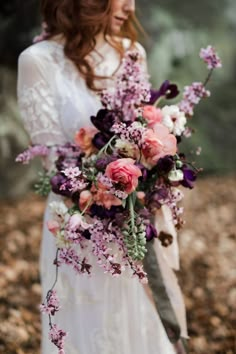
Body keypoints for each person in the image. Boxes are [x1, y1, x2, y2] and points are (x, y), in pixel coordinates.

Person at [17, 0, 188, 353]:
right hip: (75, 225)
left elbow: (143, 128)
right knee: (84, 327)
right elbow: (53, 162)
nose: (131, 4)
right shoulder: (37, 61)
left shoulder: (132, 53)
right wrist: (102, 183)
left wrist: (152, 167)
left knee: (135, 320)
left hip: (130, 220)